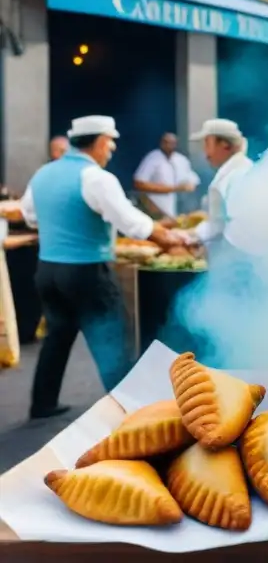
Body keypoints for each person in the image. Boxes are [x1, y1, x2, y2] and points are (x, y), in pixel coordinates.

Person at [19, 116, 185, 418]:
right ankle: (130, 412)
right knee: (112, 340)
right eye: (110, 141)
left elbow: (30, 216)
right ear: (97, 142)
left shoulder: (44, 173)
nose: (112, 148)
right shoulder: (96, 178)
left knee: (57, 336)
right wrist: (170, 238)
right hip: (87, 271)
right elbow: (131, 223)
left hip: (48, 270)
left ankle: (42, 403)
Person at [185, 119, 254, 256]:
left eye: (207, 143)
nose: (204, 152)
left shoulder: (239, 175)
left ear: (224, 145)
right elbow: (217, 222)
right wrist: (192, 235)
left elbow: (236, 227)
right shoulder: (233, 172)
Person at [133, 132, 201, 220]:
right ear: (161, 143)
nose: (169, 145)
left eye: (172, 143)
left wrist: (190, 185)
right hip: (157, 210)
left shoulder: (181, 160)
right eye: (166, 142)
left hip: (180, 211)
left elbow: (192, 179)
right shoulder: (152, 158)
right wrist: (172, 188)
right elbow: (139, 183)